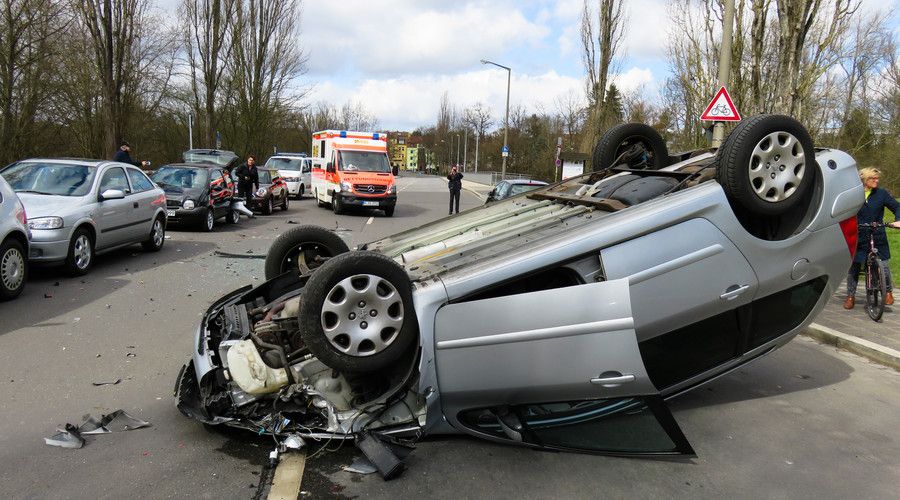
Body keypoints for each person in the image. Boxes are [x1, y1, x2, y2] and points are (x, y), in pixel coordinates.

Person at [844, 167, 900, 309]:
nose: (876, 181)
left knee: (884, 265)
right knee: (855, 266)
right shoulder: (854, 194)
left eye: (877, 178)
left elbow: (897, 207)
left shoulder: (881, 194)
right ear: (864, 180)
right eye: (872, 178)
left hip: (878, 233)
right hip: (859, 234)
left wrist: (898, 219)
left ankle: (888, 292)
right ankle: (851, 296)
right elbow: (844, 212)